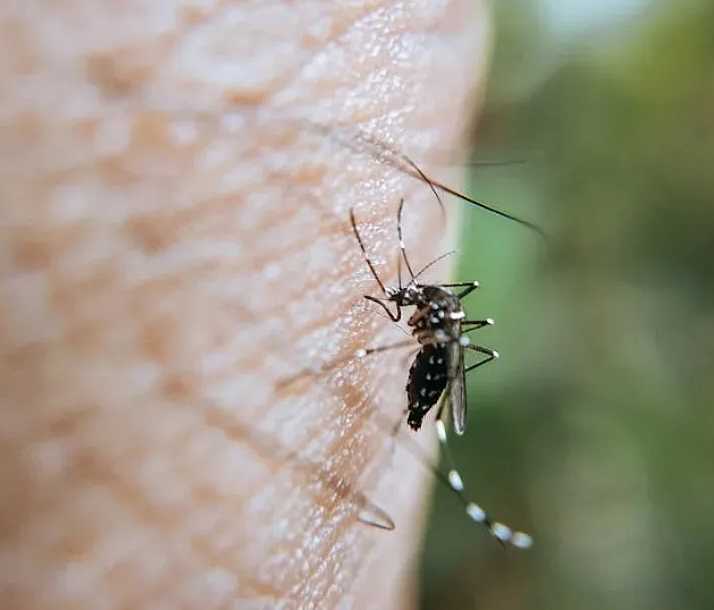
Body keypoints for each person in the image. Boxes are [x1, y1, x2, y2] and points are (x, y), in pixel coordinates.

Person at [0, 2, 490, 608]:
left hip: (437, 358)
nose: (408, 298)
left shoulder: (429, 326)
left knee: (435, 351)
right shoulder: (434, 309)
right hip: (440, 350)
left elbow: (421, 327)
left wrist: (375, 345)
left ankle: (422, 413)